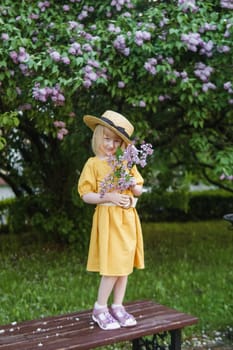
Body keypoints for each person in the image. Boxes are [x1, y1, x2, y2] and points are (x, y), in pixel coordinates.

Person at [78, 110, 144, 330]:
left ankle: (118, 306)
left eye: (116, 141)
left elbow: (138, 190)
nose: (111, 144)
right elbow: (86, 194)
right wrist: (110, 196)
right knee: (112, 266)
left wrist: (131, 185)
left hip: (128, 219)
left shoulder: (125, 162)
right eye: (106, 138)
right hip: (108, 219)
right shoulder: (93, 164)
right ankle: (100, 308)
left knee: (124, 266)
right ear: (98, 136)